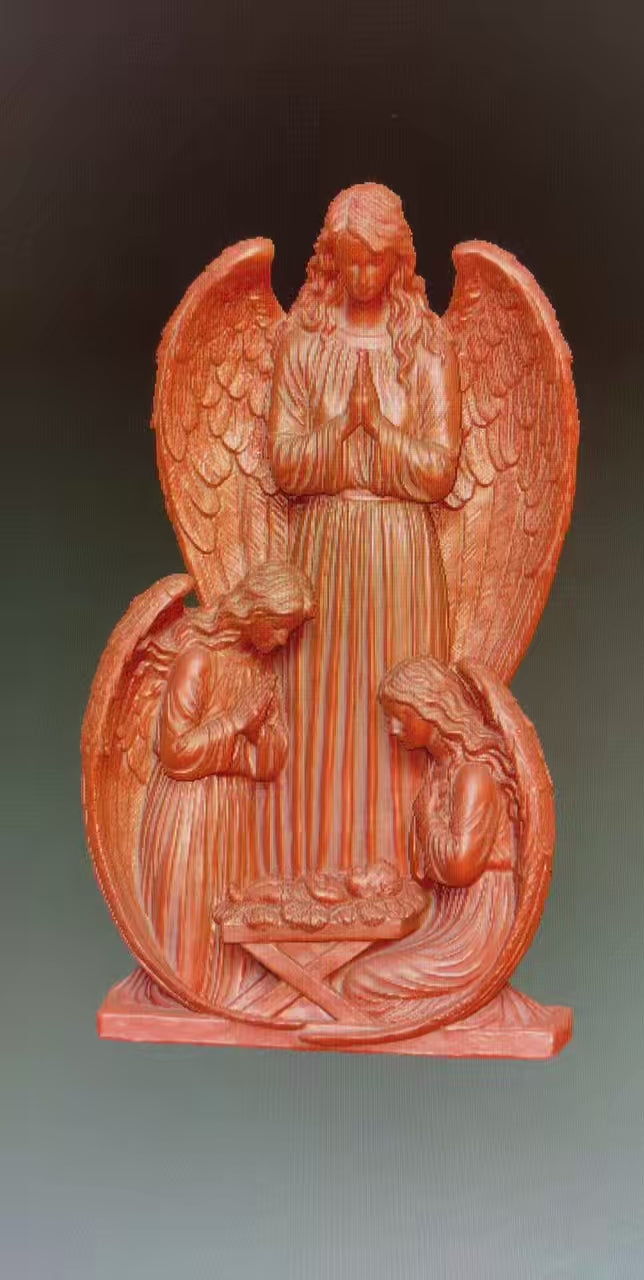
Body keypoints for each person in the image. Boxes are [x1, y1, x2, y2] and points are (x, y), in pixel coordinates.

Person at [268, 183, 462, 878]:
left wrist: (377, 429)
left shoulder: (427, 346)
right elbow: (284, 465)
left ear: (399, 260)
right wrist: (337, 430)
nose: (363, 273)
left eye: (376, 258)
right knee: (321, 709)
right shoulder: (302, 343)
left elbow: (439, 471)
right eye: (350, 258)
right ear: (331, 259)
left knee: (395, 712)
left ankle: (398, 880)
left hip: (399, 556)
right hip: (322, 550)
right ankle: (316, 872)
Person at [137, 562, 314, 1006]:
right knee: (190, 912)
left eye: (290, 631)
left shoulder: (259, 672)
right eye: (278, 627)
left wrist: (255, 735)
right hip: (189, 811)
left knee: (224, 917)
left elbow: (270, 762)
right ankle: (185, 993)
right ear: (253, 612)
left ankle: (222, 999)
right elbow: (175, 752)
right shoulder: (198, 660)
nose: (282, 640)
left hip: (231, 812)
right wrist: (237, 724)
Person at [339, 657, 518, 1023]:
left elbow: (459, 867)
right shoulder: (443, 770)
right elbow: (424, 870)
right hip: (448, 917)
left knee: (359, 983)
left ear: (431, 710)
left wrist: (426, 817)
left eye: (400, 717)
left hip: (476, 926)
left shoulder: (474, 776)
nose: (393, 729)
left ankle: (449, 1013)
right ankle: (445, 1013)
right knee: (358, 974)